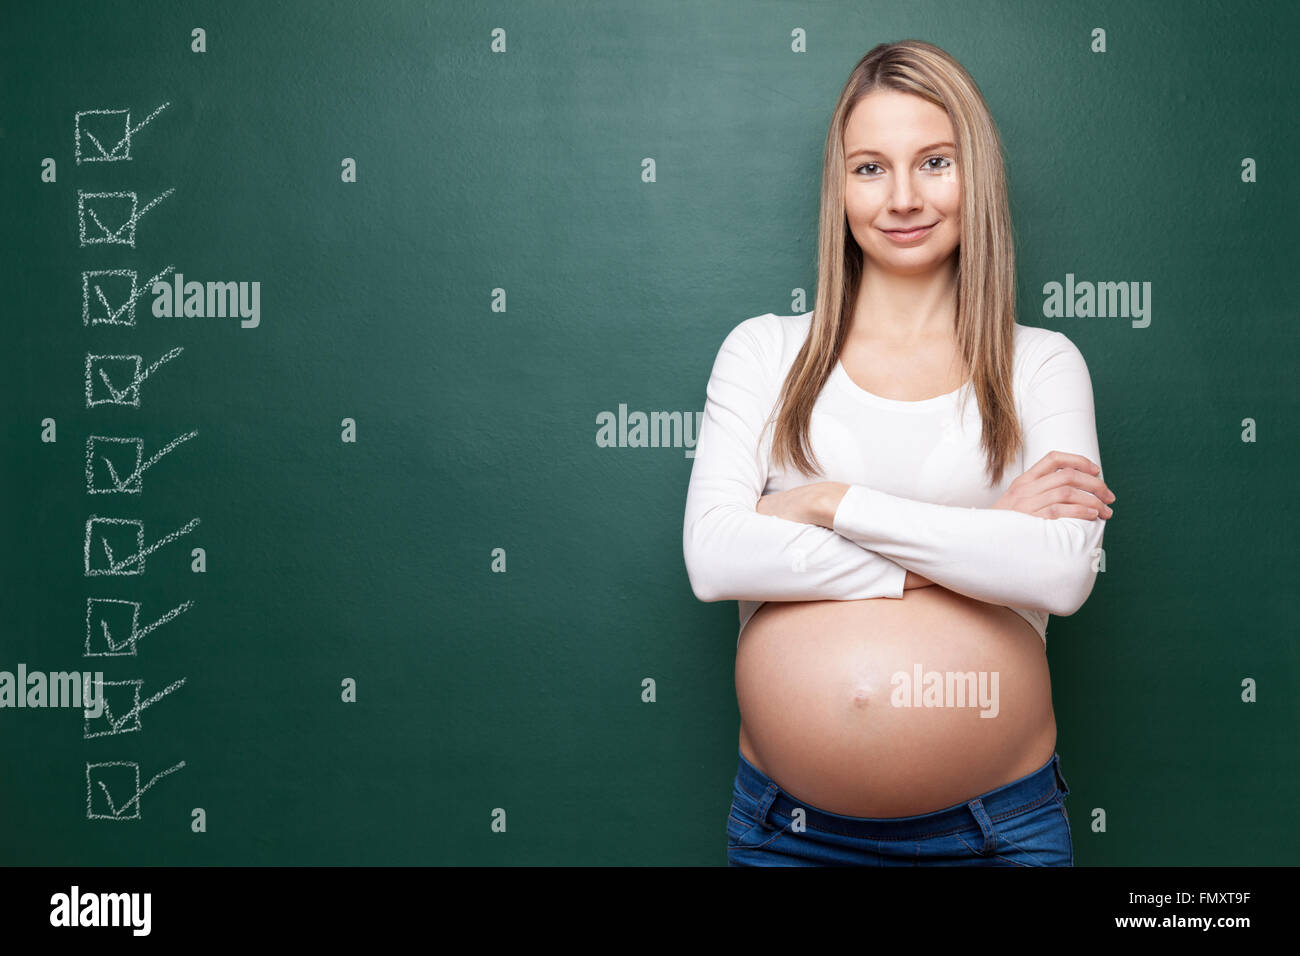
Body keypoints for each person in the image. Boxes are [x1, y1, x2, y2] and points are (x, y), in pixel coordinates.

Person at [682, 39, 1114, 866]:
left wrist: (827, 502)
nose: (904, 197)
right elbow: (715, 556)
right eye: (871, 168)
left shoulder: (1042, 364)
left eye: (935, 162)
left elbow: (1058, 576)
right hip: (790, 839)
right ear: (839, 187)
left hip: (997, 836)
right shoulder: (764, 352)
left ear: (974, 174)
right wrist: (982, 536)